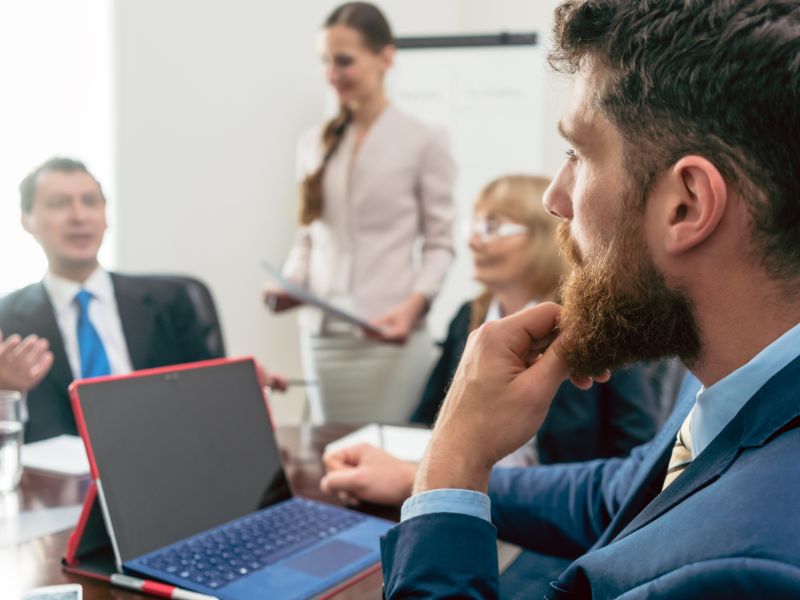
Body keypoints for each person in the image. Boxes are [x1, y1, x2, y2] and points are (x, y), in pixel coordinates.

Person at [321, 1, 800, 597]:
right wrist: (411, 477)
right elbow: (627, 493)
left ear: (687, 204)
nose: (556, 197)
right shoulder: (734, 372)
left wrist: (453, 462)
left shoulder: (755, 570)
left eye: (579, 154)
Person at [264, 2, 455, 424]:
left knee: (390, 461)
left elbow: (441, 245)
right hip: (322, 338)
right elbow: (309, 237)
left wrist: (412, 306)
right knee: (331, 457)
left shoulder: (424, 140)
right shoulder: (313, 142)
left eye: (344, 61)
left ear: (385, 57)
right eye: (325, 62)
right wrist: (289, 284)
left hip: (390, 337)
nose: (333, 73)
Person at [0, 157, 284, 442]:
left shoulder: (171, 301)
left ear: (106, 216)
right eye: (59, 204)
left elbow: (208, 399)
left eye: (90, 202)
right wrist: (5, 391)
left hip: (164, 457)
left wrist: (237, 386)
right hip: (61, 479)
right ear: (27, 221)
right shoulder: (7, 319)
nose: (79, 216)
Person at [411, 174, 662, 464]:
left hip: (557, 503)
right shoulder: (467, 317)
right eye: (474, 226)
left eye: (492, 227)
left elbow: (636, 450)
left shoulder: (598, 321)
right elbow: (426, 420)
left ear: (545, 236)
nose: (473, 241)